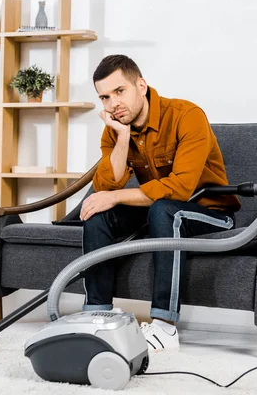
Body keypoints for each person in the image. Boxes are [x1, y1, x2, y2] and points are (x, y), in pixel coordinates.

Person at [80, 54, 241, 352]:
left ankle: (165, 327)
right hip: (158, 211)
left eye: (119, 91)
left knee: (165, 209)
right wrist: (122, 138)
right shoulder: (116, 128)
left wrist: (114, 196)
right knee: (99, 213)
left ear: (141, 85)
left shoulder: (186, 115)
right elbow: (105, 185)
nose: (113, 103)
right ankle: (97, 314)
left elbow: (179, 189)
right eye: (104, 97)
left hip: (212, 212)